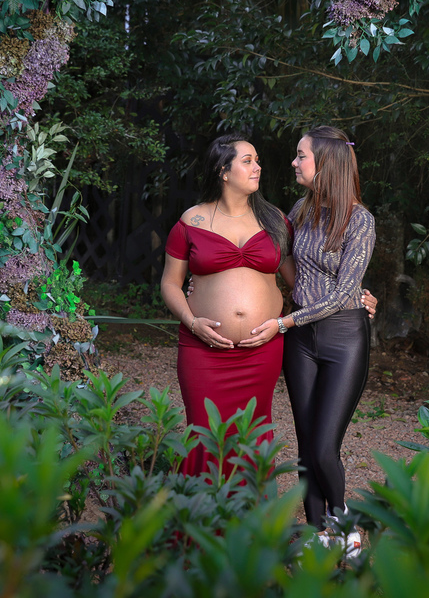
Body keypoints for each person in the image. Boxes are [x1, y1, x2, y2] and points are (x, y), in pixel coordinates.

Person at [247, 126, 375, 555]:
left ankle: (346, 531)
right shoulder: (299, 210)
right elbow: (274, 262)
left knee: (324, 448)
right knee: (305, 448)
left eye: (301, 156)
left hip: (343, 340)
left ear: (326, 164)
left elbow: (343, 294)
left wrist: (284, 323)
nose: (294, 162)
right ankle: (319, 535)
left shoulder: (359, 219)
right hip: (302, 342)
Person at [159, 134, 293, 477]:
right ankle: (199, 526)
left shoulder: (275, 220)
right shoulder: (192, 220)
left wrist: (353, 296)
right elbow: (170, 283)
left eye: (257, 160)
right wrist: (192, 322)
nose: (257, 167)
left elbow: (301, 281)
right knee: (204, 432)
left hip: (261, 349)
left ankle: (251, 525)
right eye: (247, 161)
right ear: (223, 170)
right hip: (202, 350)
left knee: (253, 432)